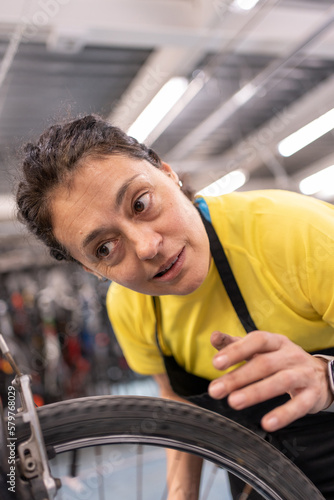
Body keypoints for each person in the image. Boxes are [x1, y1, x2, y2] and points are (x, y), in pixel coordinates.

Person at [16, 114, 334, 499]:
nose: (147, 246)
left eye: (141, 203)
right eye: (105, 248)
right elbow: (178, 403)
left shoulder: (297, 234)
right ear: (91, 268)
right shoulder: (131, 308)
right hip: (262, 481)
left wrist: (327, 378)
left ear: (168, 173)